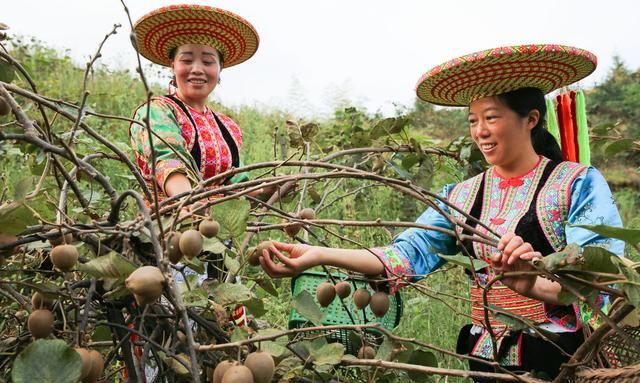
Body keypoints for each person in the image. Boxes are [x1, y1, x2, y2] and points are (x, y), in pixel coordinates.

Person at [257, 44, 625, 380]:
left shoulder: (575, 184)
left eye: (491, 117)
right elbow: (406, 254)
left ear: (530, 119)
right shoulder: (463, 197)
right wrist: (317, 254)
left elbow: (601, 280)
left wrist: (532, 283)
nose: (480, 131)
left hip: (563, 361)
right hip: (485, 361)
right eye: (473, 120)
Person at [128, 4, 263, 211]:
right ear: (173, 64)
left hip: (220, 231)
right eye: (187, 60)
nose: (197, 69)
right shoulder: (156, 112)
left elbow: (237, 187)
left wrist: (270, 190)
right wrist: (189, 201)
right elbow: (167, 161)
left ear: (220, 69)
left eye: (208, 62)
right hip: (168, 227)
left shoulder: (228, 127)